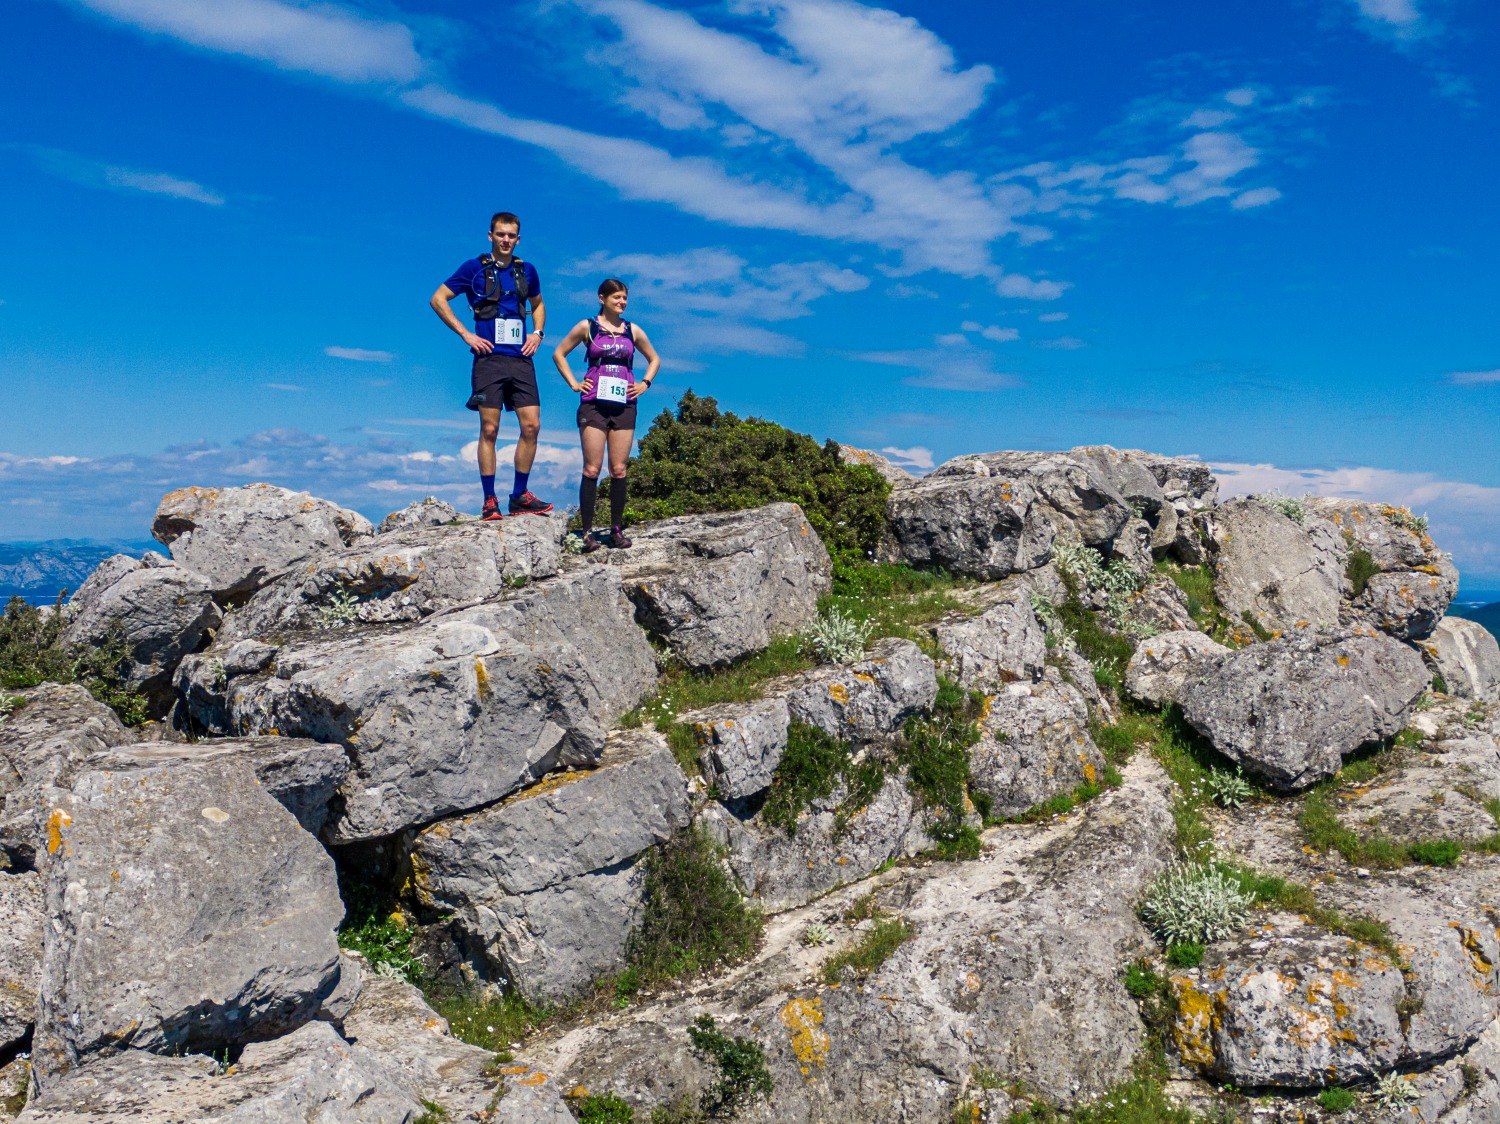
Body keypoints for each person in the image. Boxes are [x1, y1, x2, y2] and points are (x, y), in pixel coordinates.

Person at [429, 211, 554, 520]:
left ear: (518, 238)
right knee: (489, 428)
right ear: (491, 236)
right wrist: (465, 334)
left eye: (511, 235)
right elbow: (438, 299)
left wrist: (538, 333)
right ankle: (489, 500)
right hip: (488, 361)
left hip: (521, 359)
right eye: (501, 234)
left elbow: (538, 305)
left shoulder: (527, 270)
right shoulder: (474, 268)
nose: (506, 240)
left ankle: (520, 496)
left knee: (532, 426)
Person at [551, 279, 661, 550]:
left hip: (624, 404)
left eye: (625, 298)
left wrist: (645, 383)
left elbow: (654, 359)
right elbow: (559, 354)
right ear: (602, 298)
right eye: (617, 297)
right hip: (593, 404)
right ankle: (586, 533)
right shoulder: (587, 327)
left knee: (619, 469)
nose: (622, 302)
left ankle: (615, 530)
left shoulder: (632, 330)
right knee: (592, 468)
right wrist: (574, 383)